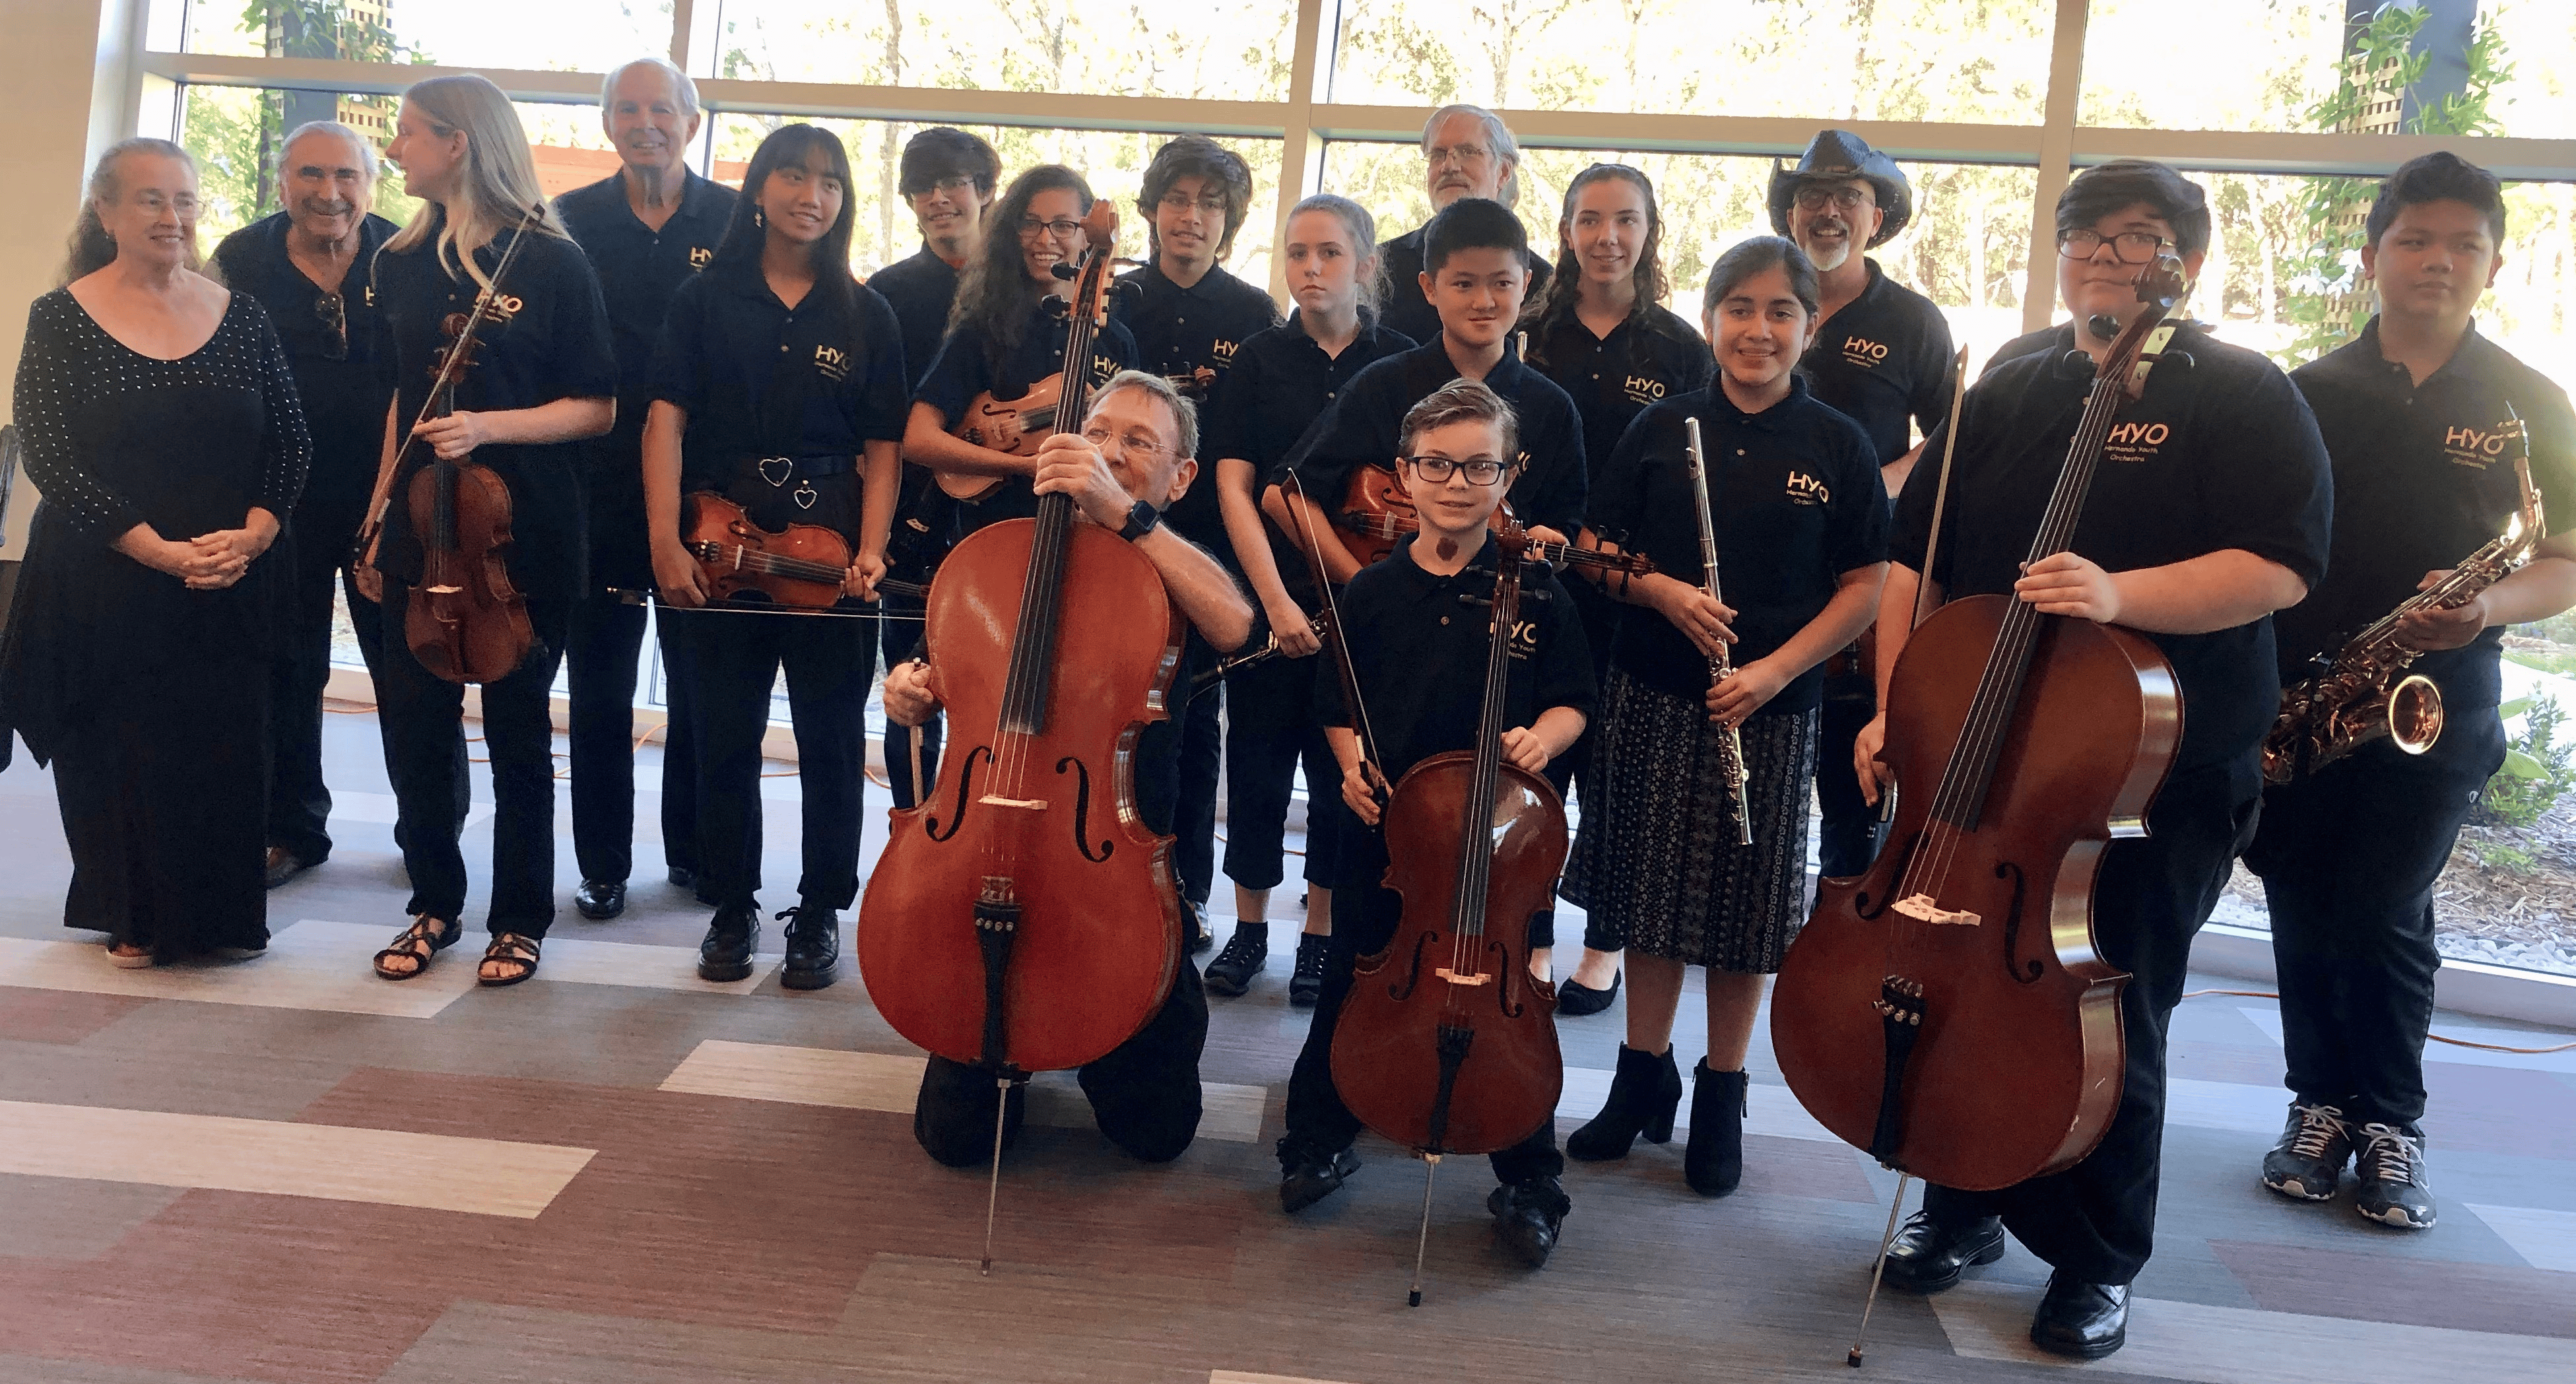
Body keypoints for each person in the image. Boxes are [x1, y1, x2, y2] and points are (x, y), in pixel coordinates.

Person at [1853, 160, 2332, 1360]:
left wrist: (2120, 592)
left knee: (2109, 1005)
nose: (2106, 263)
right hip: (1984, 753)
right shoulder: (2011, 378)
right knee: (1965, 981)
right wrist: (1889, 710)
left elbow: (2279, 564)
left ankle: (2095, 1257)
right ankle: (1962, 1207)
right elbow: (1911, 561)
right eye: (2086, 240)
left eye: (2135, 241)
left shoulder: (2239, 389)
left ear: (2186, 260)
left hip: (2150, 770)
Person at [2245, 150, 2576, 1232]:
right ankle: (2317, 1105)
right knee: (2298, 889)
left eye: (2462, 245)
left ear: (2490, 262)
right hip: (2306, 686)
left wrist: (2479, 607)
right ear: (2371, 254)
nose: (2437, 261)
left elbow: (2563, 560)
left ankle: (2389, 1119)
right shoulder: (2301, 390)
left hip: (2436, 696)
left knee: (2385, 902)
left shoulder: (2532, 402)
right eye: (2414, 240)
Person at [1559, 237, 1886, 1195]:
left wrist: (1776, 671)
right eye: (1737, 309)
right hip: (1654, 691)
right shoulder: (1662, 427)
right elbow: (1590, 547)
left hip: (1774, 708)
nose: (1757, 329)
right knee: (1649, 897)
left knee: (1744, 912)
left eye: (1779, 311)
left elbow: (1863, 586)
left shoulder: (1837, 443)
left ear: (1807, 326)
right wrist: (1661, 592)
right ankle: (1639, 1076)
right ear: (1710, 320)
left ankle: (1720, 1091)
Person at [884, 371, 1255, 1165]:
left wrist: (1124, 517)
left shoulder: (1173, 559)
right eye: (1097, 432)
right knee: (954, 1143)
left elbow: (1231, 623)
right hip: (982, 841)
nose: (1109, 452)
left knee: (1156, 1134)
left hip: (1112, 873)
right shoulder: (1001, 552)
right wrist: (911, 688)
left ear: (1181, 475)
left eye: (1138, 442)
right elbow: (939, 662)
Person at [1275, 380, 1593, 1268]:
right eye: (1437, 465)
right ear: (1402, 477)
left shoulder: (1534, 595)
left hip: (1501, 851)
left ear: (1508, 474)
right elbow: (1334, 703)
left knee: (1505, 1000)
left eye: (1479, 465)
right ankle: (1317, 1134)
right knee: (1349, 980)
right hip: (1388, 848)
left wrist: (1543, 736)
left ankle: (1528, 1173)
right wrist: (1346, 765)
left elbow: (1577, 701)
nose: (1458, 482)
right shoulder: (1372, 593)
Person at [0, 138, 309, 964]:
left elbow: (289, 442)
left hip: (228, 571)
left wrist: (255, 532)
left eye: (184, 199)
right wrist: (158, 553)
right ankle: (132, 912)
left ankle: (223, 920)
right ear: (104, 211)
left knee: (223, 745)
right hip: (107, 572)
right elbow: (51, 455)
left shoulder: (240, 313)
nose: (172, 217)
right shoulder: (60, 316)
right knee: (121, 748)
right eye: (149, 199)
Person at [1284, 195, 1587, 979]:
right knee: (1368, 937)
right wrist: (1378, 586)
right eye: (1463, 283)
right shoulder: (1385, 383)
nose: (1484, 301)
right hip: (1396, 722)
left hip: (1503, 700)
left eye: (1501, 283)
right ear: (1428, 288)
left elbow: (1563, 536)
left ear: (1528, 286)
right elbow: (1289, 492)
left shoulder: (1551, 408)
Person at [359, 75, 616, 987]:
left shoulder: (552, 261)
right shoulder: (394, 259)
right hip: (418, 524)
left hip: (522, 532)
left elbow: (596, 407)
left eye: (408, 134)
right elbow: (404, 396)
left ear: (459, 142)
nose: (394, 151)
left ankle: (518, 918)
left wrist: (488, 428)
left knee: (516, 733)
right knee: (417, 729)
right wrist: (379, 504)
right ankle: (433, 902)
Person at [645, 124, 906, 992]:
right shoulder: (698, 298)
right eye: (793, 175)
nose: (812, 193)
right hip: (719, 538)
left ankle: (821, 909)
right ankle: (729, 905)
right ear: (757, 189)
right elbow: (664, 423)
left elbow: (882, 447)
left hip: (828, 539)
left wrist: (871, 550)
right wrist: (662, 544)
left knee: (831, 739)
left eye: (830, 181)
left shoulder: (867, 314)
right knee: (722, 734)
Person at [211, 121, 466, 890]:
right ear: (283, 182)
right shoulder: (240, 260)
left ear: (370, 183)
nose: (329, 194)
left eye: (346, 177)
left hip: (391, 497)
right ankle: (290, 830)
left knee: (411, 667)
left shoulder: (411, 255)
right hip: (276, 500)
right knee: (286, 666)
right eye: (311, 176)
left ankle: (432, 828)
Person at [1201, 194, 1412, 1005]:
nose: (1310, 269)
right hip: (1270, 606)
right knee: (1255, 771)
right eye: (1296, 254)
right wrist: (1275, 606)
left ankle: (1320, 934)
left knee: (1341, 782)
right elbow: (1233, 484)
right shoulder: (1258, 359)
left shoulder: (1400, 360)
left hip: (1367, 608)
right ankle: (1251, 929)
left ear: (1365, 264)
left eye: (1328, 253)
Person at [1517, 162, 1714, 1014]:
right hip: (1530, 584)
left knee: (1617, 777)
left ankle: (1600, 950)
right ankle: (1524, 936)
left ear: (1648, 231)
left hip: (1635, 594)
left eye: (1623, 220)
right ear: (1564, 230)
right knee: (1531, 765)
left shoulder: (1678, 346)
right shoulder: (1526, 331)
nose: (1606, 236)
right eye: (1588, 219)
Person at [554, 56, 739, 919]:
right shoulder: (569, 219)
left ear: (692, 122)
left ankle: (695, 851)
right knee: (598, 687)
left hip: (706, 489)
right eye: (625, 109)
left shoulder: (738, 220)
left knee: (701, 684)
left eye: (660, 109)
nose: (644, 123)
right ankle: (601, 864)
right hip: (594, 488)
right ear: (606, 124)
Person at [1769, 129, 1956, 886]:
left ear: (1878, 218)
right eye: (1814, 195)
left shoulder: (1914, 322)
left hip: (1861, 589)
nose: (1829, 212)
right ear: (1790, 214)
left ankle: (1839, 953)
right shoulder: (1765, 301)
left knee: (1853, 795)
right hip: (1767, 586)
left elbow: (1954, 438)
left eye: (1850, 197)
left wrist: (1874, 482)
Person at [1113, 134, 1283, 952]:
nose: (1191, 217)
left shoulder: (1253, 315)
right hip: (1110, 546)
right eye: (1177, 201)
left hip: (1202, 550)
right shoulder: (1112, 299)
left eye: (1209, 205)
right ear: (1151, 212)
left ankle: (1188, 891)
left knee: (1193, 724)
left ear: (1229, 223)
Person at [869, 129, 999, 816]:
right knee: (909, 688)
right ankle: (913, 833)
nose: (939, 198)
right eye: (923, 187)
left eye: (954, 182)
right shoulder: (886, 294)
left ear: (986, 192)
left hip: (997, 512)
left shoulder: (1018, 289)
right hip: (910, 517)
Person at [903, 164, 1140, 537]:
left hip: (1092, 531)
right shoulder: (983, 330)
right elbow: (918, 440)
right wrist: (1023, 466)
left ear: (1086, 238)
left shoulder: (1116, 339)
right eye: (1030, 223)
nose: (1045, 239)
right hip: (996, 529)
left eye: (1063, 225)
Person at [1378, 105, 1550, 346]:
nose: (1449, 166)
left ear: (1503, 172)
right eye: (1438, 154)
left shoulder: (1545, 285)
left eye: (1467, 152)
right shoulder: (1382, 268)